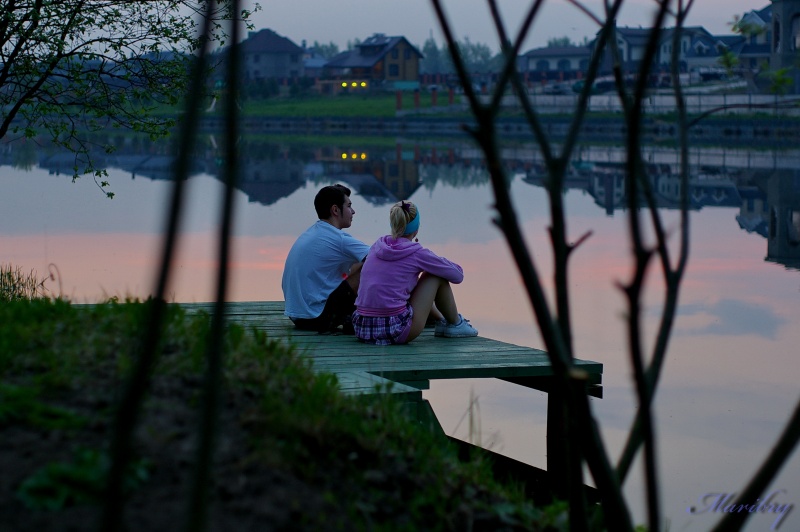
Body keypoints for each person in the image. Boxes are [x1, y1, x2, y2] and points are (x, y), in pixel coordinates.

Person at [353, 200, 478, 345]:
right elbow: (458, 276)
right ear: (416, 228)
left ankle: (442, 321)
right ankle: (456, 324)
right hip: (395, 329)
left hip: (362, 327)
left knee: (403, 281)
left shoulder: (377, 246)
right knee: (434, 275)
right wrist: (437, 262)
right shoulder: (416, 253)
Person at [282, 184, 369, 333]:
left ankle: (354, 315)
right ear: (335, 210)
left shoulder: (313, 233)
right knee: (371, 266)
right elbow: (379, 257)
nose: (353, 211)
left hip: (297, 316)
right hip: (317, 318)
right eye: (349, 206)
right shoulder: (339, 239)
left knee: (358, 262)